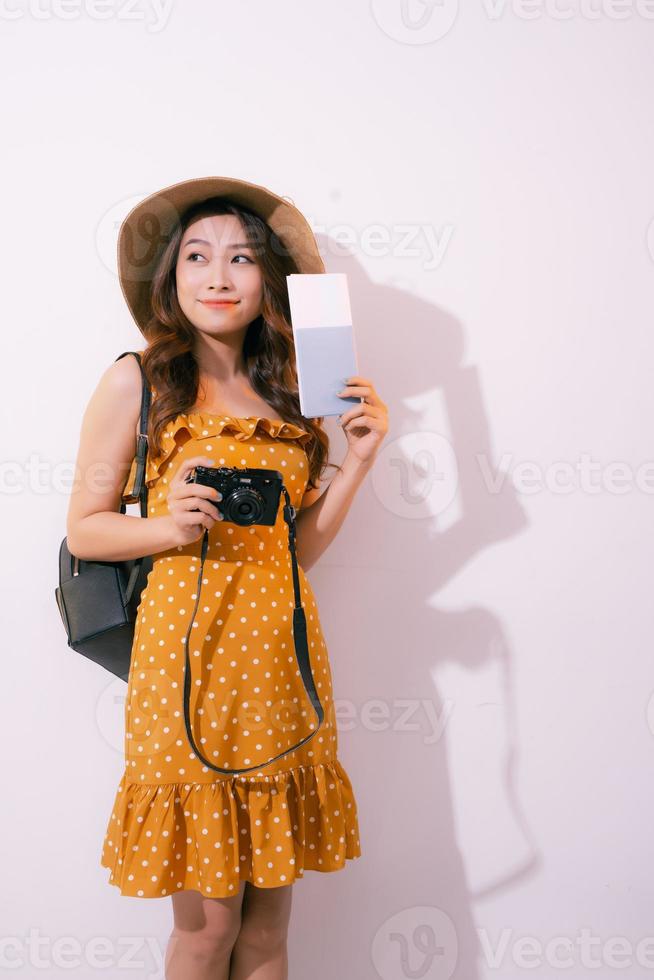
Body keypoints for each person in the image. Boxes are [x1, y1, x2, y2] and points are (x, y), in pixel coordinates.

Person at [66, 176, 389, 980]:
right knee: (207, 932)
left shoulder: (294, 398)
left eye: (241, 258)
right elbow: (84, 528)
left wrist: (359, 461)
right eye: (198, 257)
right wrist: (169, 526)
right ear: (170, 278)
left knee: (270, 935)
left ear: (268, 278)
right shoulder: (138, 382)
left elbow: (296, 550)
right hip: (185, 670)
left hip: (283, 666)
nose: (218, 277)